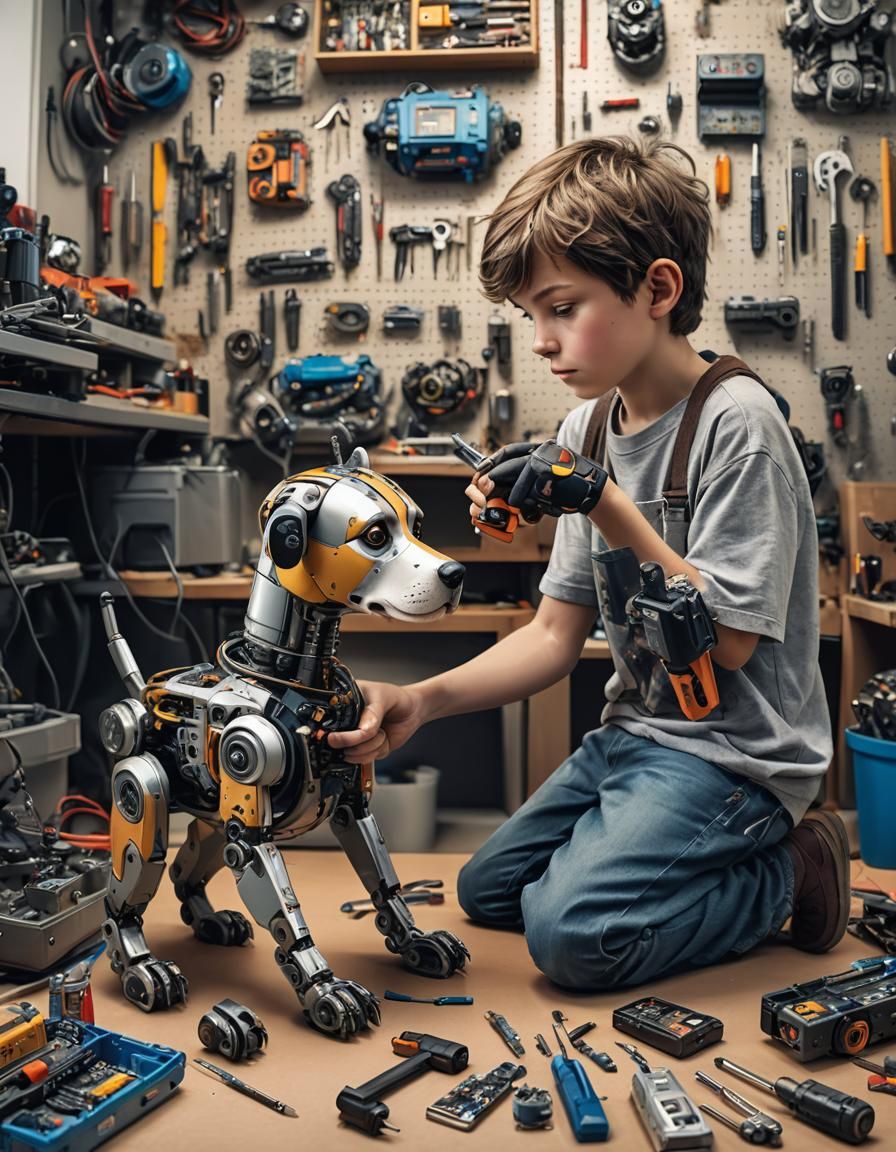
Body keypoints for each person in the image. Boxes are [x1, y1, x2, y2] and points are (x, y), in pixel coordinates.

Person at [329, 136, 849, 991]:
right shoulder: (587, 431)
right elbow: (551, 636)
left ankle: (793, 871)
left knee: (574, 937)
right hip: (635, 737)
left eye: (562, 307)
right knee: (487, 891)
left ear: (658, 289)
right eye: (531, 316)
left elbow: (727, 647)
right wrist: (420, 701)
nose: (541, 341)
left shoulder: (738, 426)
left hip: (737, 760)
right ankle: (648, 852)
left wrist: (607, 505)